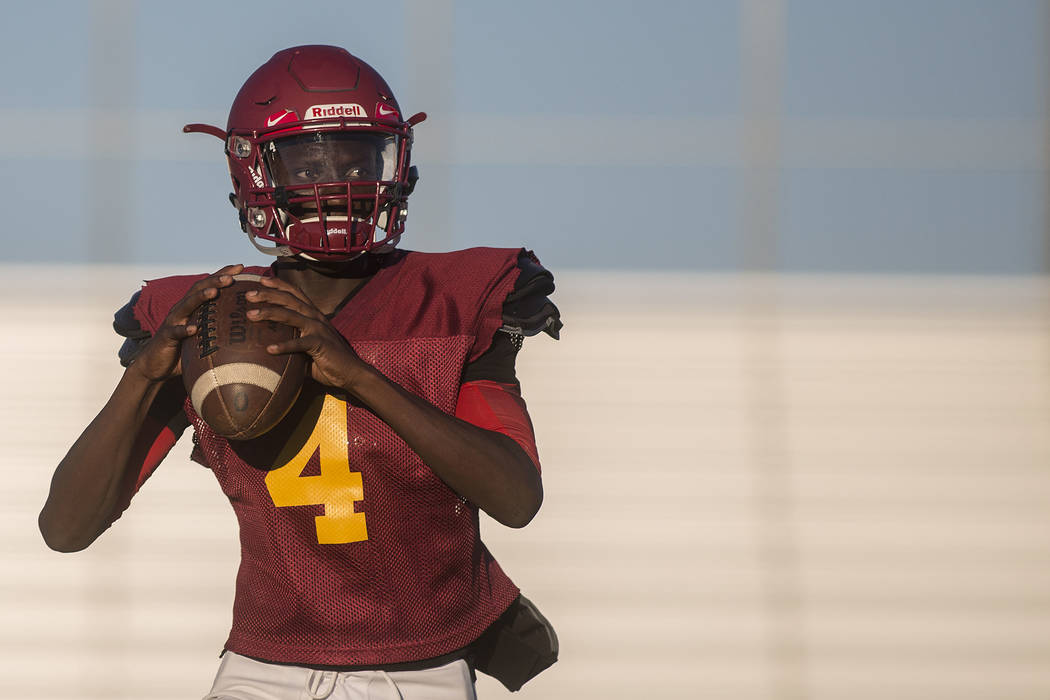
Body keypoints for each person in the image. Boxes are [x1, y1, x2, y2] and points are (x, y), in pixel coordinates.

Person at [39, 45, 560, 699]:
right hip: (263, 671)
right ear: (254, 169)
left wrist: (358, 374)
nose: (337, 175)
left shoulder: (455, 296)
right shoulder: (211, 317)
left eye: (357, 153)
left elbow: (515, 499)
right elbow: (64, 528)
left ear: (395, 162)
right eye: (308, 156)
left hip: (421, 669)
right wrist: (142, 377)